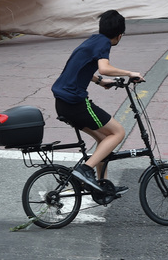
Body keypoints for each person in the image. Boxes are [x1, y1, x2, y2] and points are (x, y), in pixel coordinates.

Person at [51, 10, 144, 194]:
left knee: (104, 140)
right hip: (75, 103)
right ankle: (85, 170)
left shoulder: (93, 40)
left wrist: (100, 82)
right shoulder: (103, 43)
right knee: (118, 133)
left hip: (63, 103)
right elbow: (104, 67)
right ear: (119, 35)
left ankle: (101, 186)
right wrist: (129, 73)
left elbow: (81, 66)